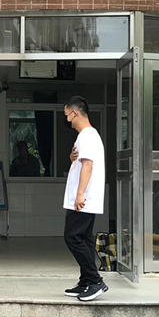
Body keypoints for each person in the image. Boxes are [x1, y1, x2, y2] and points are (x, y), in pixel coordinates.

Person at [62, 96, 108, 301]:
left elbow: (88, 166)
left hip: (83, 199)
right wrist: (73, 158)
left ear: (75, 113)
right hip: (84, 198)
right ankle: (86, 281)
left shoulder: (87, 135)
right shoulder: (88, 135)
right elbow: (82, 162)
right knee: (85, 239)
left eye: (66, 115)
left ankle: (95, 281)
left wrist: (80, 194)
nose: (66, 119)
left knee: (72, 237)